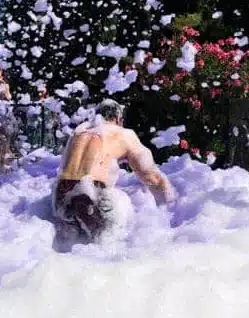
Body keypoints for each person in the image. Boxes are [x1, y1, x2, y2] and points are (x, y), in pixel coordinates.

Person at [53, 98, 176, 242]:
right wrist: (171, 206)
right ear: (118, 118)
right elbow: (152, 177)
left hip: (60, 193)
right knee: (108, 245)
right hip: (91, 191)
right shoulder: (123, 134)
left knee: (70, 247)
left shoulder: (79, 131)